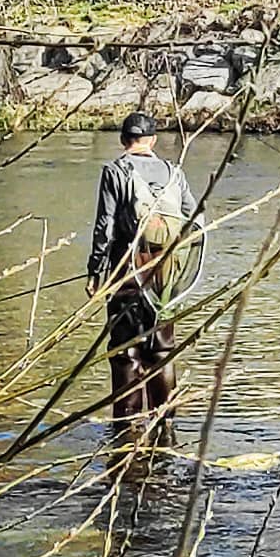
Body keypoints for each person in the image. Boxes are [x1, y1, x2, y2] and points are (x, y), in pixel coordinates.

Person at [87, 111, 198, 438]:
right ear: (152, 141)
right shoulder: (173, 172)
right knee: (163, 347)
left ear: (124, 140)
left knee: (125, 350)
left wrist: (95, 272)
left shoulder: (114, 171)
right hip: (167, 269)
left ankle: (127, 428)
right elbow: (194, 216)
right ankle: (166, 424)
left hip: (128, 267)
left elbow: (104, 228)